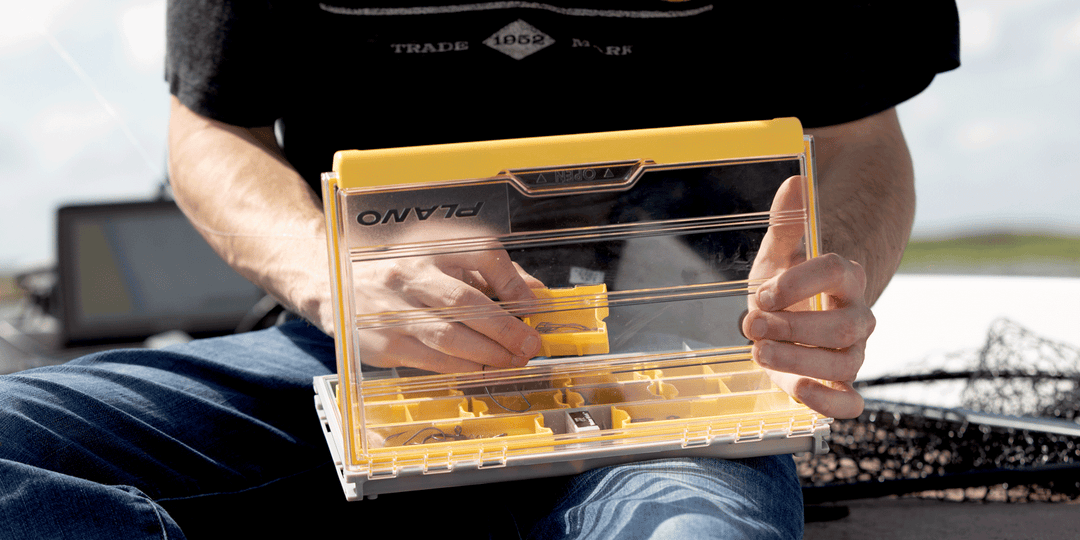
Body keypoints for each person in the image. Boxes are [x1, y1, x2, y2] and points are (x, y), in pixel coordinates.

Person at [0, 2, 960, 539]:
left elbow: (860, 138)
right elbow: (212, 126)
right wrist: (334, 277)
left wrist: (824, 284)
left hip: (674, 381)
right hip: (346, 360)